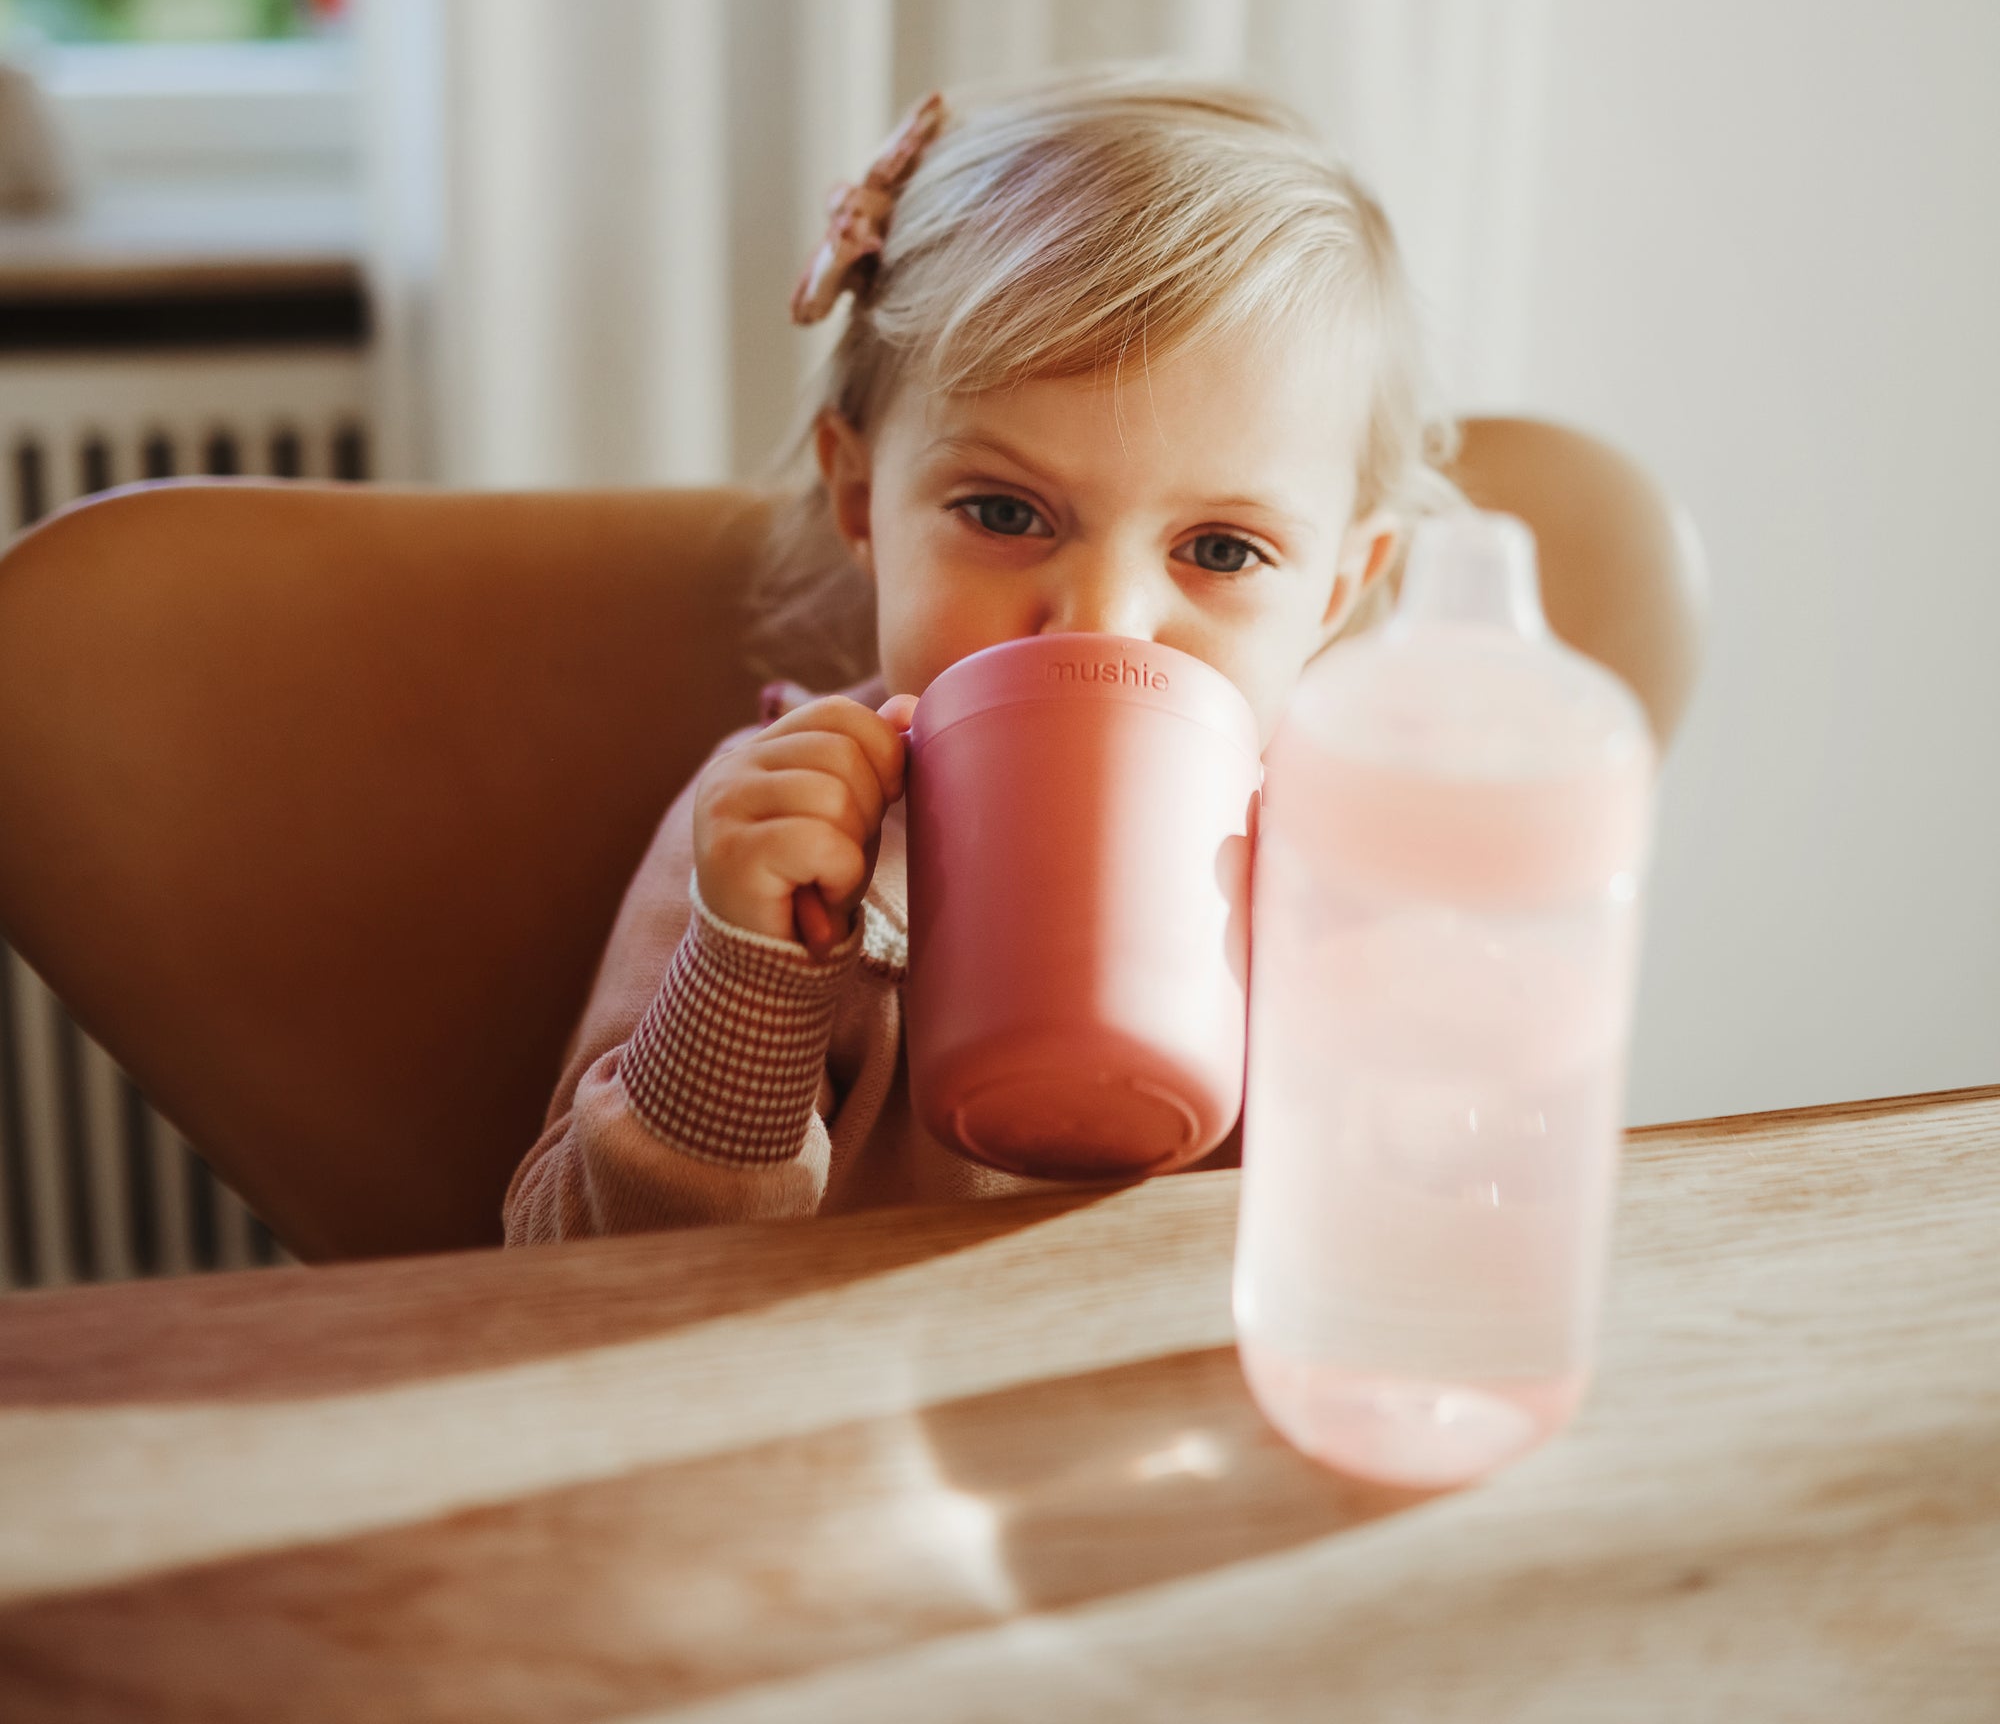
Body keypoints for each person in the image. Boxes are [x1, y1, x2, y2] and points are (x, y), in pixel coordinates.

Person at [504, 66, 1464, 1243]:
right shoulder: (772, 838)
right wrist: (746, 973)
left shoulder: (1344, 853)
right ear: (860, 497)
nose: (1104, 621)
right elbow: (567, 1269)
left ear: (1336, 589)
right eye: (1006, 514)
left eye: (1219, 546)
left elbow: (1432, 1232)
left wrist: (1425, 991)